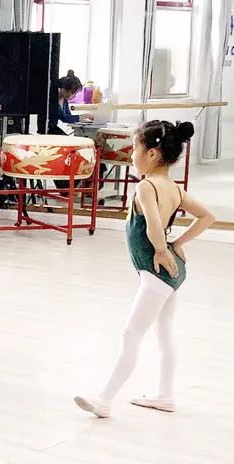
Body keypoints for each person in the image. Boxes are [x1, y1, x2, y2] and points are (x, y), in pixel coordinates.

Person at [74, 121, 214, 419]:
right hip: (171, 273)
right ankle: (165, 395)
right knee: (164, 333)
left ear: (151, 154)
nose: (131, 154)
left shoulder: (146, 186)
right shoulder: (175, 189)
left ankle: (104, 400)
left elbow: (152, 224)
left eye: (135, 148)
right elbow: (207, 216)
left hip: (157, 273)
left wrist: (163, 249)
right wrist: (177, 243)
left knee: (132, 333)